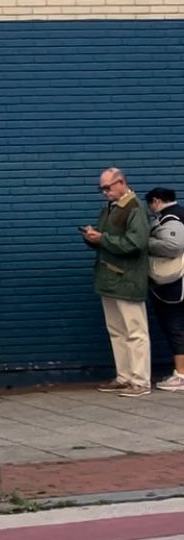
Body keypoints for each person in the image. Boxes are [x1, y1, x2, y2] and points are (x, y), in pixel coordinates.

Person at [82, 168, 151, 398]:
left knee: (135, 330)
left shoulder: (135, 208)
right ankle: (125, 377)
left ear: (121, 182)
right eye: (101, 188)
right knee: (117, 330)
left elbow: (136, 243)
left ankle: (140, 380)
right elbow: (109, 239)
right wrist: (94, 237)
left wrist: (102, 238)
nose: (104, 193)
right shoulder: (112, 208)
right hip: (110, 277)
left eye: (107, 187)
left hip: (127, 278)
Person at [146, 188, 184, 392]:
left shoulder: (171, 217)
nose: (151, 209)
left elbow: (174, 245)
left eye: (150, 204)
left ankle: (181, 374)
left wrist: (147, 242)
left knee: (174, 326)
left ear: (156, 201)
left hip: (175, 284)